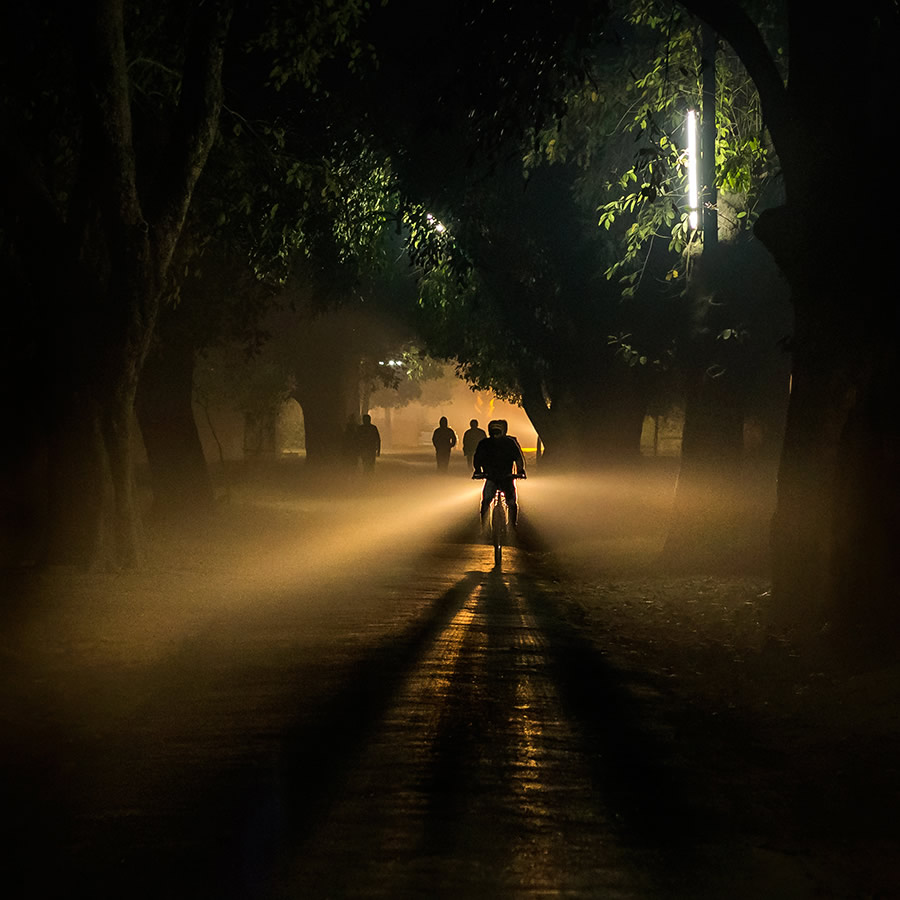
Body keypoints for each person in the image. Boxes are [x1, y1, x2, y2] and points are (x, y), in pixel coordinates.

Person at [473, 418, 526, 530]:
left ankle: (511, 526)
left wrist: (520, 470)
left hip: (501, 477)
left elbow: (518, 459)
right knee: (489, 501)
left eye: (497, 432)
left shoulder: (486, 443)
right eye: (494, 432)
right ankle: (486, 528)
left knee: (507, 502)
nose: (495, 435)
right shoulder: (505, 443)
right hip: (497, 477)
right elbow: (477, 459)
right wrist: (520, 472)